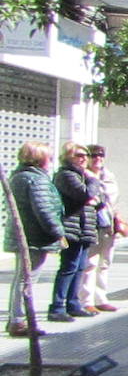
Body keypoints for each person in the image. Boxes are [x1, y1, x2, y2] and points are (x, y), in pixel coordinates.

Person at [5, 141, 64, 337]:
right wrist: (58, 232)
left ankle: (16, 318)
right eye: (49, 156)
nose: (51, 160)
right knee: (27, 279)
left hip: (27, 235)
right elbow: (43, 209)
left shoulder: (19, 176)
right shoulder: (35, 180)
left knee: (22, 277)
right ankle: (19, 320)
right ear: (40, 159)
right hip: (34, 237)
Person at [49, 142, 98, 322]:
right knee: (69, 267)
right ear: (67, 156)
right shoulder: (66, 175)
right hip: (71, 227)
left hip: (84, 227)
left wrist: (92, 194)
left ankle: (73, 303)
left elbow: (97, 200)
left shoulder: (81, 176)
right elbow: (85, 195)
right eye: (79, 155)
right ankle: (57, 306)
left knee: (80, 267)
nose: (84, 158)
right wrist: (93, 181)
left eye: (86, 155)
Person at [78, 144, 122, 314]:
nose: (98, 158)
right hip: (91, 223)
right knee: (90, 263)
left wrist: (117, 219)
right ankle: (86, 300)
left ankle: (101, 298)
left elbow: (114, 202)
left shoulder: (109, 176)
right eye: (94, 155)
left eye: (101, 155)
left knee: (105, 262)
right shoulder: (84, 176)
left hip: (108, 224)